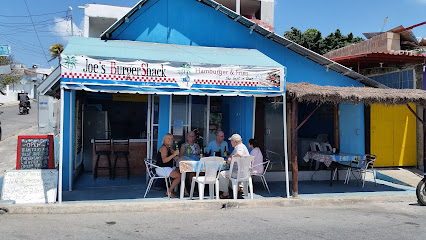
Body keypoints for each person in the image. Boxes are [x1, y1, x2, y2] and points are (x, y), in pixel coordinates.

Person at [218, 133, 250, 199]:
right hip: (245, 173)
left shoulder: (240, 147)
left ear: (234, 141)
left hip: (239, 173)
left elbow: (239, 154)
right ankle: (238, 188)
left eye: (231, 141)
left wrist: (231, 158)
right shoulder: (241, 146)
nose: (231, 142)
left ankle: (225, 194)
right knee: (228, 175)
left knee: (222, 174)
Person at [157, 133, 188, 198]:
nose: (170, 140)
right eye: (168, 138)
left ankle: (185, 191)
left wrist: (175, 157)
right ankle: (169, 192)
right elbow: (164, 160)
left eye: (171, 139)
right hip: (162, 168)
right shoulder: (163, 148)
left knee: (181, 171)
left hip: (168, 167)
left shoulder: (169, 148)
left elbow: (175, 154)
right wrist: (174, 155)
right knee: (178, 176)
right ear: (164, 139)